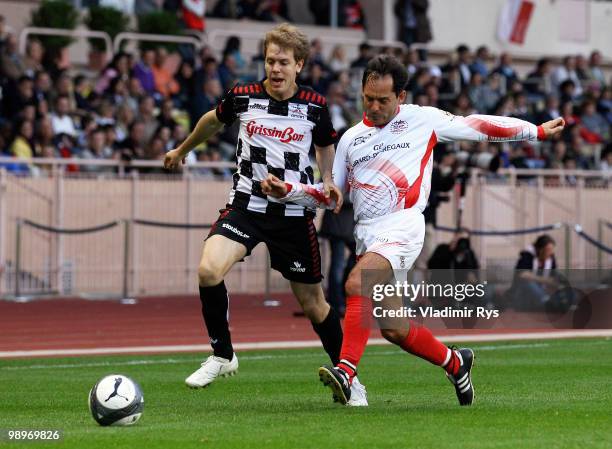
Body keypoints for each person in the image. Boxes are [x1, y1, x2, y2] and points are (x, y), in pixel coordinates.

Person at [262, 55, 565, 406]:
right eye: (367, 98)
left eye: (383, 100)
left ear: (401, 97)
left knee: (356, 282)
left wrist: (536, 131)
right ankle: (456, 363)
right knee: (394, 329)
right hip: (368, 235)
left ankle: (346, 371)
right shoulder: (350, 139)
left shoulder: (423, 119)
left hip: (404, 225)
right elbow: (332, 197)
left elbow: (477, 125)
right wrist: (291, 191)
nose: (373, 106)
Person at [163, 23, 368, 406]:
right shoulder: (242, 96)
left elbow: (326, 146)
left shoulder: (315, 106)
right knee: (208, 270)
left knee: (314, 305)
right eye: (270, 60)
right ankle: (222, 354)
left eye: (283, 62)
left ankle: (349, 377)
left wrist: (327, 180)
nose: (275, 69)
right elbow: (212, 119)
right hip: (246, 207)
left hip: (292, 214)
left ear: (299, 65)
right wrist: (182, 149)